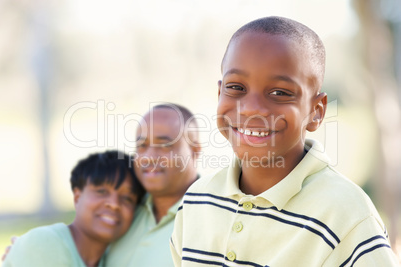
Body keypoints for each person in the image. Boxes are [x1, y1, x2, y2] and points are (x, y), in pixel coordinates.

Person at [170, 16, 400, 266]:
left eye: (280, 93)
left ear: (316, 111)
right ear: (219, 93)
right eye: (236, 87)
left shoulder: (346, 214)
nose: (251, 109)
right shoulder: (196, 200)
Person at [2, 150, 145, 267]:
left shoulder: (107, 260)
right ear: (77, 197)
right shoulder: (46, 243)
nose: (114, 204)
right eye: (101, 191)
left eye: (127, 198)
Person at [105, 103, 200, 266]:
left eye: (164, 145)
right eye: (142, 146)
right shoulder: (122, 210)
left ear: (194, 151)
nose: (149, 157)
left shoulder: (213, 216)